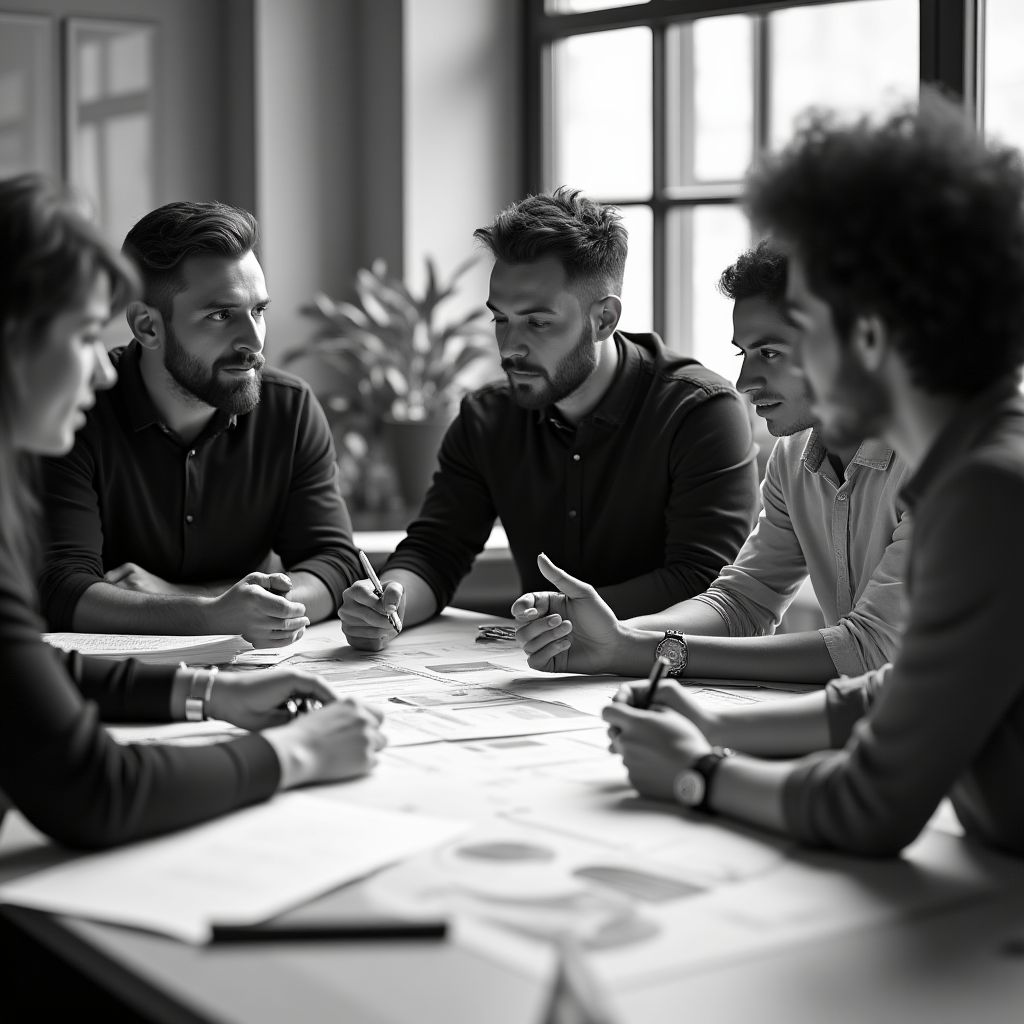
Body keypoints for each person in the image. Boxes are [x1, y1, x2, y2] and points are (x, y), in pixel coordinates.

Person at [603, 92, 1024, 857]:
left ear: (865, 332)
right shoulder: (978, 463)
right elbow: (910, 690)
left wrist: (700, 771)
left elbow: (871, 806)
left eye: (800, 327)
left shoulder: (992, 493)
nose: (761, 371)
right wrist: (719, 723)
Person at [0, 173, 385, 852]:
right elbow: (93, 789)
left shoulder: (288, 408)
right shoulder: (64, 443)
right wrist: (297, 755)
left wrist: (208, 694)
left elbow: (24, 670)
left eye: (258, 310)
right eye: (85, 334)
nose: (98, 370)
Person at [339, 187, 760, 649]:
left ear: (603, 320)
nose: (510, 346)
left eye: (537, 323)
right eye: (501, 320)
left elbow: (704, 583)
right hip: (539, 672)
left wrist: (558, 612)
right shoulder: (487, 417)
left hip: (669, 674)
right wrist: (389, 604)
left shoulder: (699, 411)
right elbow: (435, 554)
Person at [513, 240, 911, 685]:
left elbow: (872, 648)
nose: (744, 382)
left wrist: (634, 651)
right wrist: (611, 635)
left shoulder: (945, 460)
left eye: (771, 353)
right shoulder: (793, 455)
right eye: (745, 353)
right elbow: (742, 601)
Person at [38, 199, 361, 648]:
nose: (253, 343)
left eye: (259, 311)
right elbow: (62, 589)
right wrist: (217, 613)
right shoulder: (76, 412)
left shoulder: (290, 409)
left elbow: (334, 563)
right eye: (220, 315)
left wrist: (202, 604)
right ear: (147, 326)